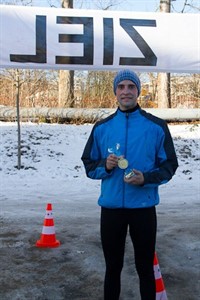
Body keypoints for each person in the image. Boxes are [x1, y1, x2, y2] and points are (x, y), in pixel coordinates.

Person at [81, 69, 178, 300]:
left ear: (138, 91)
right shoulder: (102, 128)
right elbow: (88, 164)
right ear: (115, 91)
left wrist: (146, 178)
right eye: (121, 87)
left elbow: (169, 166)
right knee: (112, 268)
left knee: (145, 268)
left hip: (143, 209)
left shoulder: (156, 127)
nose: (126, 91)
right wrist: (105, 165)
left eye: (131, 86)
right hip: (112, 209)